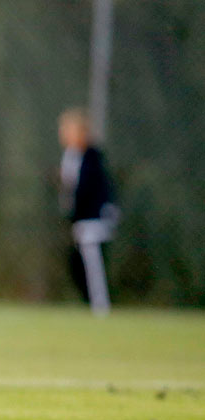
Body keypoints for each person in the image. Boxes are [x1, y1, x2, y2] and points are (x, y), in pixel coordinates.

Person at [58, 108, 118, 316]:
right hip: (79, 219)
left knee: (93, 262)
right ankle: (91, 301)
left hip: (93, 219)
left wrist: (107, 213)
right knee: (77, 263)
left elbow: (100, 190)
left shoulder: (93, 157)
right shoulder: (70, 157)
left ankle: (100, 305)